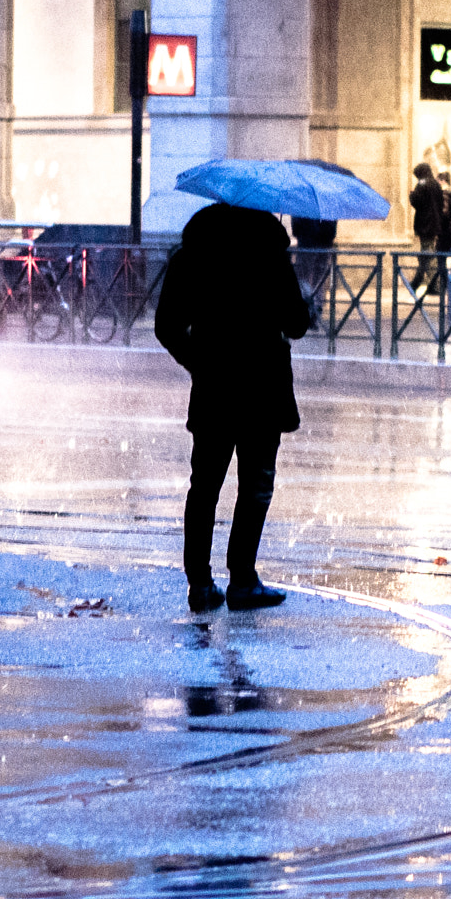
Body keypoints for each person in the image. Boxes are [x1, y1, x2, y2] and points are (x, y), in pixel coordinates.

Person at [154, 204, 311, 614]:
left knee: (204, 488)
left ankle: (200, 585)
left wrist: (199, 361)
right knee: (255, 486)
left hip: (215, 387)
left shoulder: (192, 254)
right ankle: (242, 579)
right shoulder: (270, 253)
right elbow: (296, 324)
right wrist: (302, 302)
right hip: (263, 386)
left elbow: (166, 325)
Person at [407, 163, 444, 292]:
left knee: (428, 253)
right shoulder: (436, 184)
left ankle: (435, 284)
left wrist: (411, 195)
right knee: (425, 253)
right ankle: (419, 281)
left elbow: (417, 201)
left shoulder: (422, 184)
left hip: (424, 224)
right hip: (435, 224)